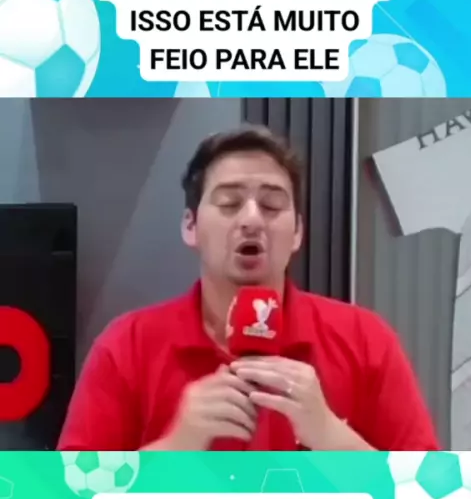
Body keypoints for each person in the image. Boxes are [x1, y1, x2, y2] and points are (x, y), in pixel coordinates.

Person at [58, 125, 440, 452]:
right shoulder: (126, 346)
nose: (252, 219)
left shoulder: (366, 341)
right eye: (229, 203)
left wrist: (330, 436)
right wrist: (176, 446)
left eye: (271, 205)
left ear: (297, 232)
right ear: (191, 226)